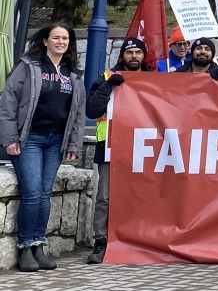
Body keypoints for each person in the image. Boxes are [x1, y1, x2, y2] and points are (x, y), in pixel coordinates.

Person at [0, 23, 85, 272]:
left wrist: (74, 144)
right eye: (56, 37)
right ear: (46, 41)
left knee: (45, 193)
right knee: (33, 192)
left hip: (56, 141)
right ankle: (25, 246)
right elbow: (8, 102)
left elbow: (78, 114)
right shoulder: (28, 66)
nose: (61, 42)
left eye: (65, 38)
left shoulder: (73, 74)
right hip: (29, 140)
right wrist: (10, 139)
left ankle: (39, 244)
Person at [84, 38, 152, 264]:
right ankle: (101, 240)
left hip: (146, 147)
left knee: (144, 194)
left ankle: (139, 239)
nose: (134, 56)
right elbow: (92, 110)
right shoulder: (105, 78)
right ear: (122, 56)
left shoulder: (156, 78)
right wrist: (107, 86)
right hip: (111, 146)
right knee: (105, 196)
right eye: (129, 52)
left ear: (144, 56)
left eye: (138, 53)